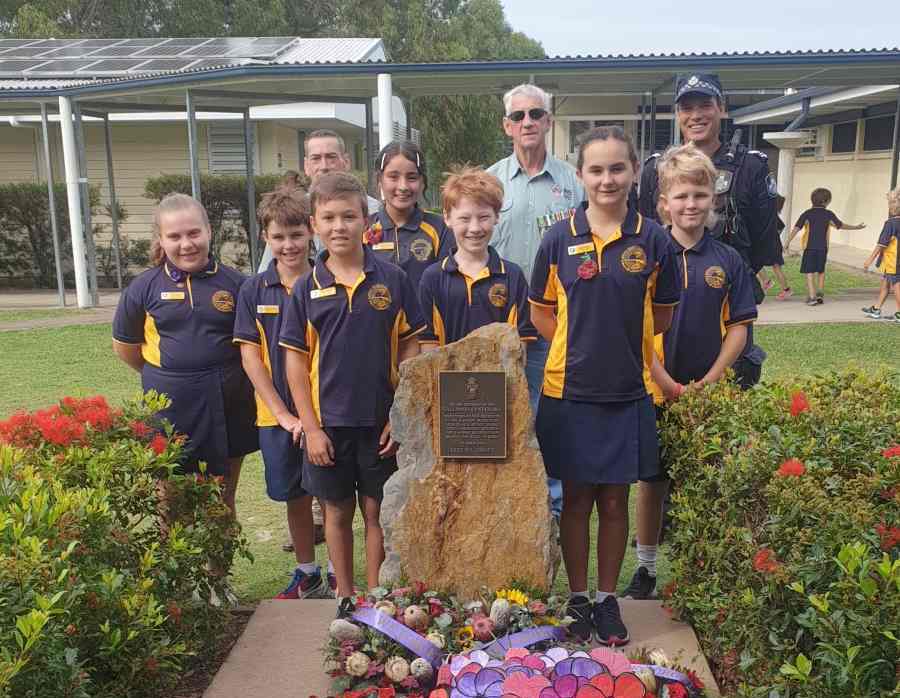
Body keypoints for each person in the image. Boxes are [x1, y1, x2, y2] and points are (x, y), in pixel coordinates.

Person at [529, 126, 680, 645]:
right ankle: (578, 599)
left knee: (615, 502)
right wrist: (579, 345)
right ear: (580, 175)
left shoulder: (652, 239)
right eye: (596, 169)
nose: (607, 179)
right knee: (574, 500)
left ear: (635, 171)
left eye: (617, 168)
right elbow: (540, 312)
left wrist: (618, 345)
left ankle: (607, 600)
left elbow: (662, 315)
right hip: (567, 391)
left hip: (628, 391)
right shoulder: (558, 236)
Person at [279, 172, 424, 619]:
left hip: (379, 424)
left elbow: (411, 346)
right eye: (328, 218)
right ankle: (345, 597)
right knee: (337, 513)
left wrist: (398, 416)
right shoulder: (306, 288)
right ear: (314, 224)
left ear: (367, 221)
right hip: (328, 427)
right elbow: (295, 363)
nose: (338, 226)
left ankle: (377, 600)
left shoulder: (393, 279)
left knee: (377, 512)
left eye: (348, 216)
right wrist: (311, 428)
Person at [624, 145, 758, 601]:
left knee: (708, 480)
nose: (691, 204)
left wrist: (711, 382)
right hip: (656, 390)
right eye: (681, 196)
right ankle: (646, 567)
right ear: (664, 202)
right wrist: (663, 380)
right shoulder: (645, 257)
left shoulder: (728, 260)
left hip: (709, 394)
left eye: (700, 195)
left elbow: (739, 327)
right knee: (652, 481)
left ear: (713, 199)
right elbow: (633, 325)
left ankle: (700, 569)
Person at [112, 193, 257, 516]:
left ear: (209, 231)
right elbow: (126, 348)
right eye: (175, 236)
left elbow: (252, 346)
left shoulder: (237, 284)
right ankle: (173, 551)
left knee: (221, 497)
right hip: (170, 406)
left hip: (228, 404)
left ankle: (220, 553)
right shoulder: (142, 288)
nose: (186, 244)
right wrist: (167, 376)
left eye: (194, 233)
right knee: (171, 499)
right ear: (161, 239)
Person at [639, 72, 776, 387]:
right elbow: (647, 235)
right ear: (677, 114)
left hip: (725, 302)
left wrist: (725, 272)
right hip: (666, 310)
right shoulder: (655, 169)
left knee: (726, 395)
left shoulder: (751, 166)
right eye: (687, 108)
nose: (696, 115)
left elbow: (764, 240)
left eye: (705, 105)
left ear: (721, 108)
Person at [487, 83, 585, 519]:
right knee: (498, 418)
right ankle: (504, 507)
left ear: (548, 121)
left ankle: (552, 509)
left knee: (548, 417)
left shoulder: (574, 184)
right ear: (506, 125)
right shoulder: (489, 182)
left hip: (554, 324)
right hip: (499, 326)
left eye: (536, 114)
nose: (527, 122)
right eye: (518, 116)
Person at [234, 189, 335, 600]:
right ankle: (307, 574)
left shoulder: (328, 282)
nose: (289, 245)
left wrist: (314, 417)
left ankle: (338, 575)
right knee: (294, 495)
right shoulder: (253, 290)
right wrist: (282, 414)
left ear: (311, 231)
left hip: (326, 412)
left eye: (296, 235)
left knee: (331, 494)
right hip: (276, 417)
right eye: (278, 237)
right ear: (265, 237)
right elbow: (250, 357)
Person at [418, 166, 538, 349]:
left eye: (483, 217)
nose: (474, 228)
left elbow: (520, 343)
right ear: (447, 218)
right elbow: (428, 344)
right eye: (464, 219)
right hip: (446, 369)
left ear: (496, 216)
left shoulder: (513, 276)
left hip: (501, 369)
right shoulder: (432, 278)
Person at [258, 129, 380, 271]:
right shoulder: (290, 210)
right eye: (316, 158)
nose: (324, 166)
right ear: (306, 166)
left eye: (331, 157)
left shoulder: (374, 210)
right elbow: (267, 272)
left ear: (346, 161)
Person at [365, 140, 452, 289]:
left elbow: (447, 285)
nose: (403, 186)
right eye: (393, 177)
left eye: (411, 177)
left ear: (423, 182)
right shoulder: (363, 228)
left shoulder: (441, 229)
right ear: (380, 181)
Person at [784, 187, 865, 306]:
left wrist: (787, 243)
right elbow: (840, 225)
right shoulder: (828, 214)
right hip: (823, 248)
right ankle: (820, 295)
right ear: (825, 201)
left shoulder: (807, 214)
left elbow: (796, 228)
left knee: (809, 272)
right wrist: (856, 227)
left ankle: (812, 297)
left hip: (809, 248)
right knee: (821, 271)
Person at [862, 187, 900, 322]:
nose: (889, 206)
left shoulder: (891, 223)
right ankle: (876, 308)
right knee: (886, 283)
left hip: (893, 261)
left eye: (891, 203)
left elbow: (881, 244)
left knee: (896, 285)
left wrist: (869, 260)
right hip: (892, 261)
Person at [757, 194, 793, 300]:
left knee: (760, 263)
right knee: (770, 266)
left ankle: (782, 288)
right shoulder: (773, 216)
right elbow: (781, 227)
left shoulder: (769, 216)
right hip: (774, 244)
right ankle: (769, 282)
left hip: (771, 245)